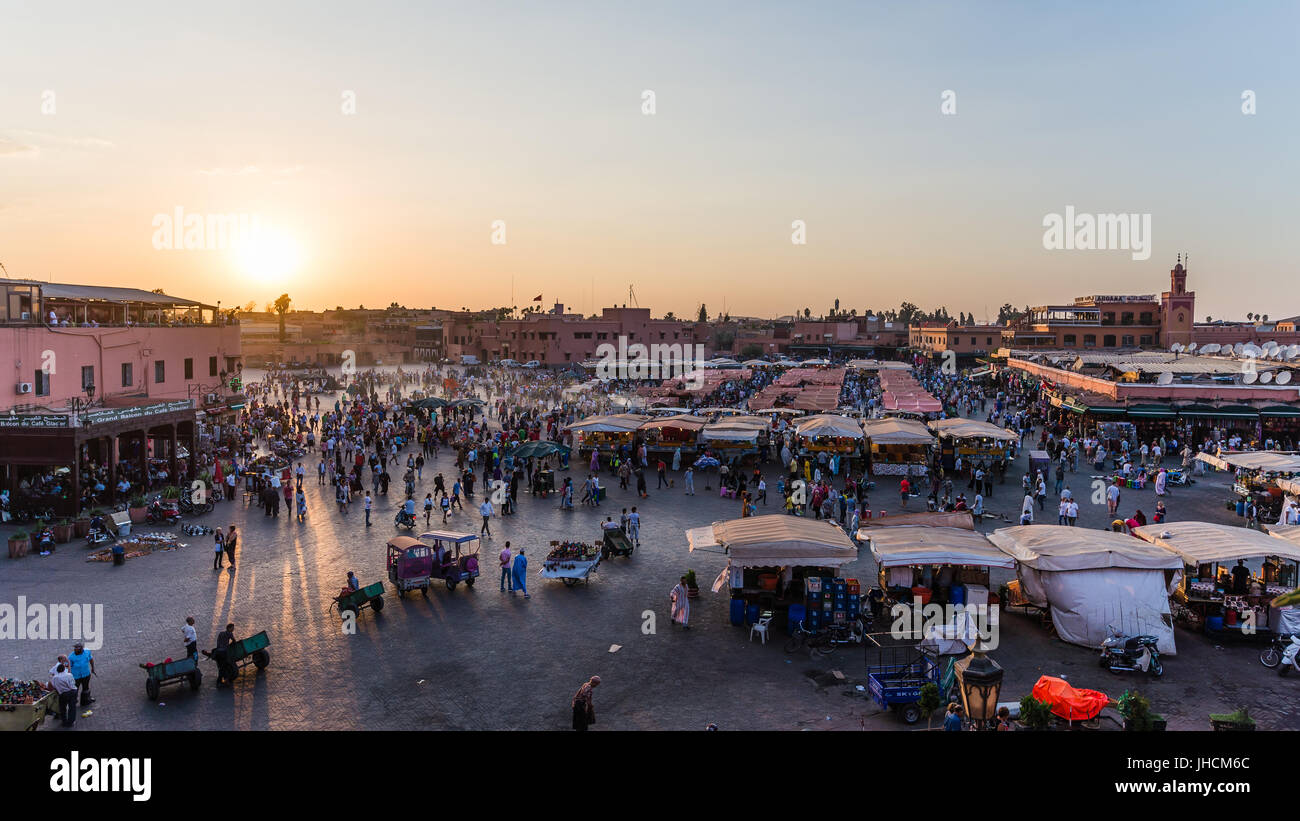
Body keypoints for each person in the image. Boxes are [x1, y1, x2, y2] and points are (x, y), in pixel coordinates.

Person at [68, 641, 95, 706]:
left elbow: (91, 659)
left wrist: (93, 668)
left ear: (81, 648)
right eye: (75, 648)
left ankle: (86, 700)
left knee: (86, 687)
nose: (75, 649)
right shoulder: (71, 657)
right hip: (76, 677)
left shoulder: (87, 652)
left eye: (77, 648)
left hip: (86, 674)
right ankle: (74, 702)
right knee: (75, 689)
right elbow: (68, 667)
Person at [212, 623, 235, 687]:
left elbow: (218, 643)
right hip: (223, 653)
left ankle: (225, 680)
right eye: (232, 628)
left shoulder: (221, 633)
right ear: (229, 628)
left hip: (218, 652)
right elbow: (234, 641)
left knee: (221, 667)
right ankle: (220, 682)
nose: (233, 629)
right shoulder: (229, 633)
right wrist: (230, 645)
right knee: (224, 667)